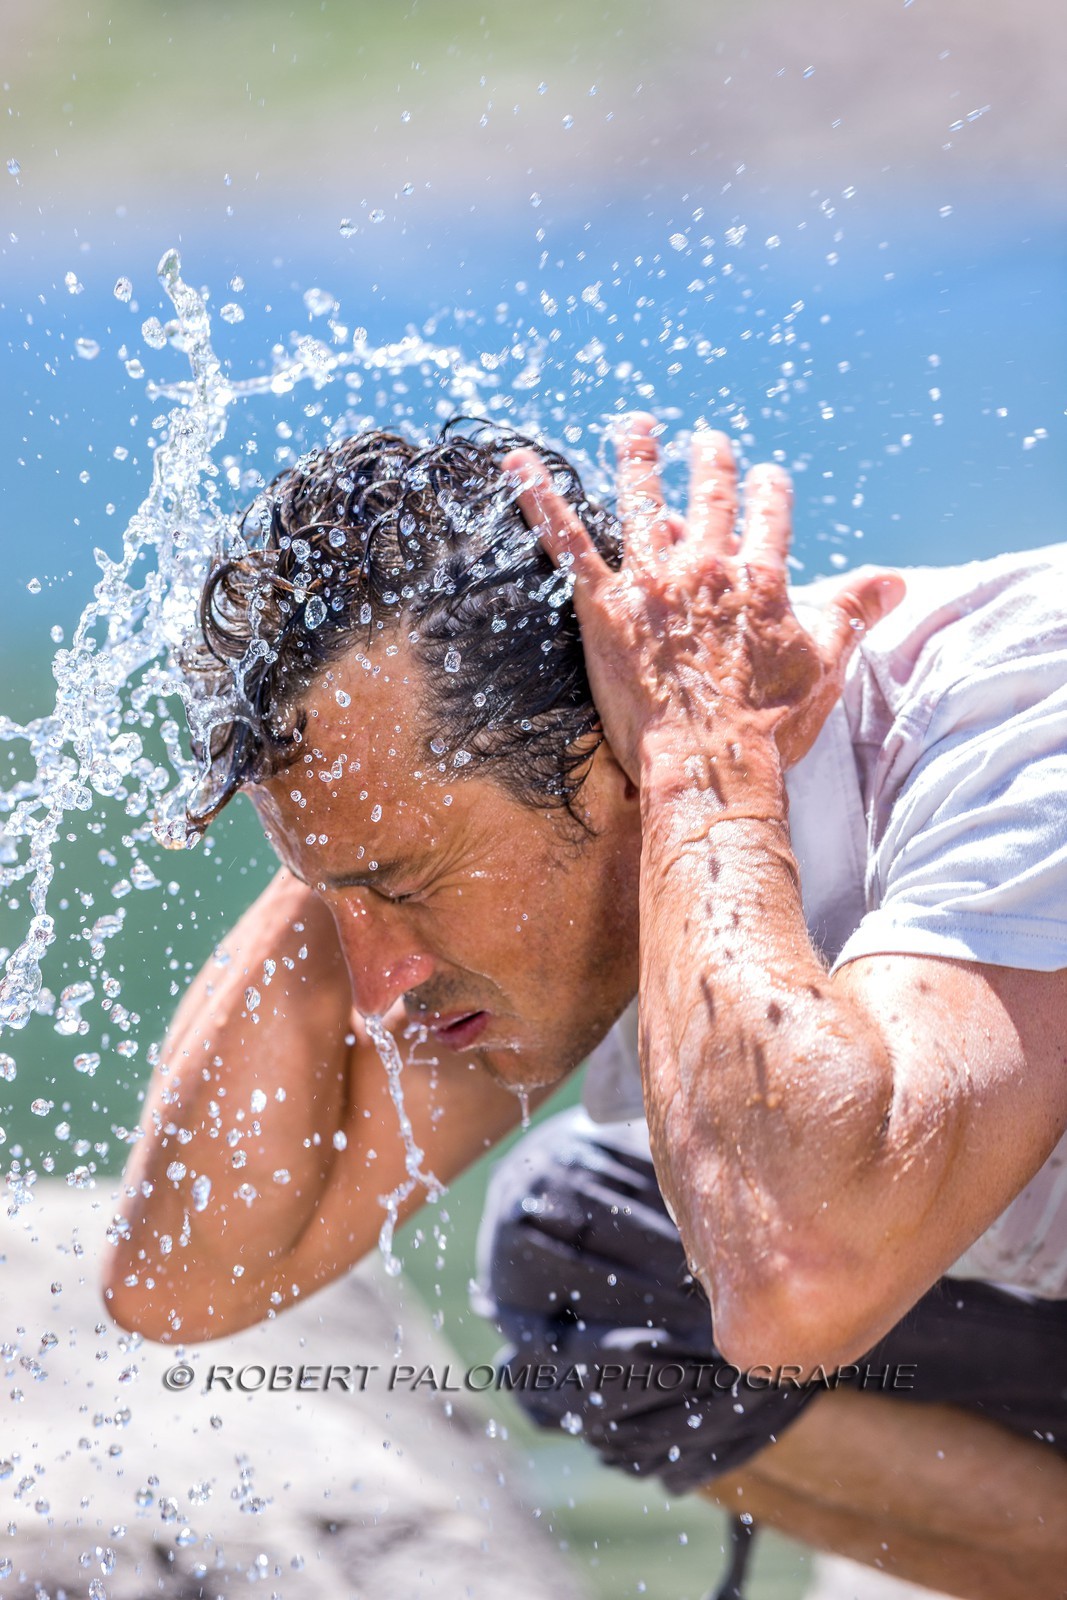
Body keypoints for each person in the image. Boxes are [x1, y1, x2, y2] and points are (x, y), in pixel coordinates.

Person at [103, 418, 1067, 1599]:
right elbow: (184, 1274)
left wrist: (700, 763)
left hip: (858, 1239)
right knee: (579, 1255)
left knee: (760, 1242)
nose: (376, 990)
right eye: (341, 896)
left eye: (403, 885)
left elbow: (797, 1283)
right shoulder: (571, 806)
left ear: (601, 766)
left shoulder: (1014, 726)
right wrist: (346, 828)